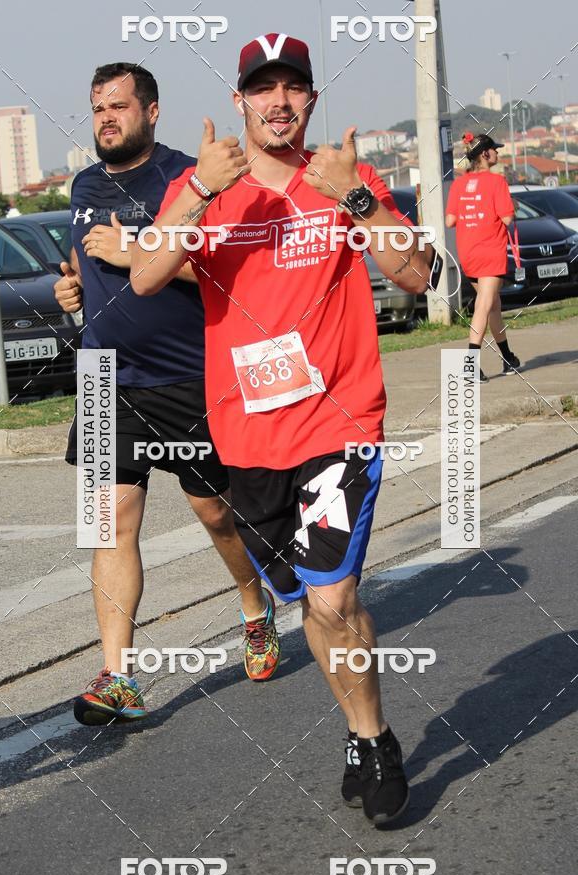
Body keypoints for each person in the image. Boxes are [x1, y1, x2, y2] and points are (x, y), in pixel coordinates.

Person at [131, 34, 436, 824]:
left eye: (292, 87)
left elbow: (418, 274)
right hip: (246, 441)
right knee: (303, 598)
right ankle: (358, 731)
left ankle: (374, 740)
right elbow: (145, 275)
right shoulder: (207, 187)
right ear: (240, 102)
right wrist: (200, 189)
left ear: (310, 100)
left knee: (334, 598)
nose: (278, 101)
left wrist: (357, 199)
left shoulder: (341, 178)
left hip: (339, 425)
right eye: (262, 88)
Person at [55, 62, 280, 727]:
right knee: (109, 522)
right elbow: (82, 264)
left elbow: (223, 273)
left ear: (151, 111)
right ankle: (118, 676)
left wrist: (136, 250)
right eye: (98, 107)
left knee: (216, 514)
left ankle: (254, 605)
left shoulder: (187, 178)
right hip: (104, 377)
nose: (106, 118)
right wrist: (73, 288)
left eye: (118, 106)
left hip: (187, 376)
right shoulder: (84, 184)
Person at [446, 132, 521, 382]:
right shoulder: (497, 182)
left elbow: (450, 220)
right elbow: (507, 218)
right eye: (495, 150)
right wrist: (513, 205)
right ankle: (470, 365)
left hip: (468, 253)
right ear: (486, 154)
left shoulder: (459, 184)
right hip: (490, 251)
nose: (497, 153)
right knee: (484, 305)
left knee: (492, 305)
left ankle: (508, 358)